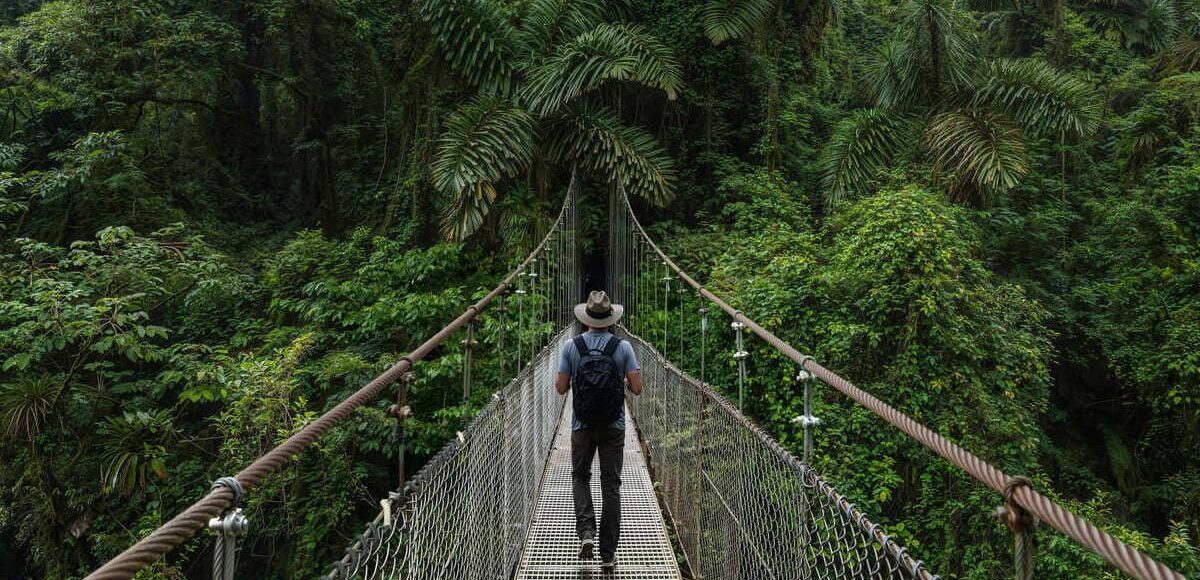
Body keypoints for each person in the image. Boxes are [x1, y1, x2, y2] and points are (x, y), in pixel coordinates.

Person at [555, 290, 643, 571]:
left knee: (580, 476)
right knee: (611, 486)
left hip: (581, 425)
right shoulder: (623, 347)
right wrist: (622, 383)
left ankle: (586, 534)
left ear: (586, 318)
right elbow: (638, 388)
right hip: (614, 426)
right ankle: (607, 553)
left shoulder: (572, 346)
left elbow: (560, 388)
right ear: (610, 319)